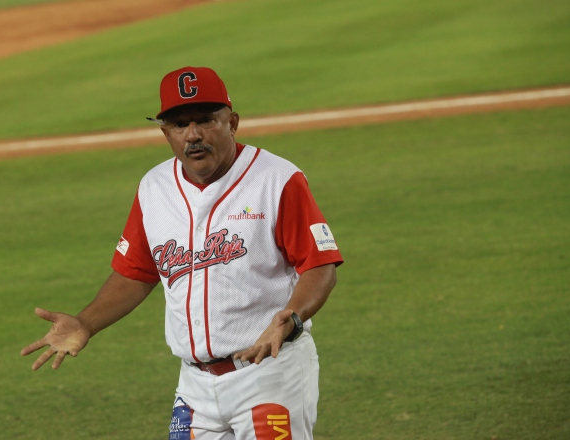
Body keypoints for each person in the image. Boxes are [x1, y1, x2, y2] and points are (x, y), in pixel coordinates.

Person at [21, 66, 343, 439]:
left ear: (232, 122)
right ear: (165, 132)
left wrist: (292, 317)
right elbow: (136, 272)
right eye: (179, 124)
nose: (194, 135)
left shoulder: (277, 180)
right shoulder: (154, 187)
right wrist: (87, 322)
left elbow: (320, 266)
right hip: (194, 388)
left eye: (206, 120)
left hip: (269, 374)